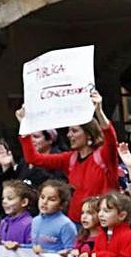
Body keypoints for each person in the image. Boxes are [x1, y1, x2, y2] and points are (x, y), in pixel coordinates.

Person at [17, 90, 119, 221]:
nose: (69, 135)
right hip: (77, 223)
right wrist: (24, 125)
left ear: (89, 134)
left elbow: (110, 139)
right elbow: (33, 158)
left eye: (74, 131)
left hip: (103, 223)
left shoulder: (104, 156)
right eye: (69, 131)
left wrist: (99, 111)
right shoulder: (70, 158)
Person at [30, 180, 77, 255]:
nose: (44, 202)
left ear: (62, 204)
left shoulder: (66, 225)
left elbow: (71, 253)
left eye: (52, 199)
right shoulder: (35, 220)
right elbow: (32, 246)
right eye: (42, 197)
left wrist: (45, 253)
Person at [0, 180, 35, 249]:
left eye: (10, 198)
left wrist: (19, 246)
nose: (4, 201)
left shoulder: (30, 224)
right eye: (3, 198)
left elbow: (33, 248)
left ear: (24, 202)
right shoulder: (3, 223)